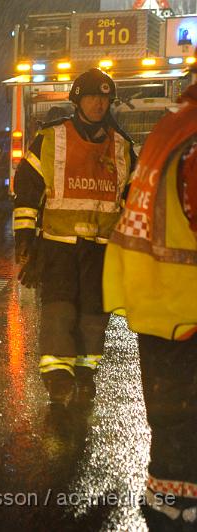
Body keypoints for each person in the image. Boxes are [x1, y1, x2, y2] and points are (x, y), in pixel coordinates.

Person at [103, 48, 197, 530]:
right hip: (189, 312)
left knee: (173, 424)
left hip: (161, 306)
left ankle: (168, 506)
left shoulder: (171, 129)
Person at [13, 68, 136, 416]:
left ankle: (84, 373)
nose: (99, 103)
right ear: (77, 101)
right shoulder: (52, 139)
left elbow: (133, 199)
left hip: (102, 249)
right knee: (59, 311)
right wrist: (26, 238)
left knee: (94, 317)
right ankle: (57, 378)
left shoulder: (123, 146)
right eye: (92, 97)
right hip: (59, 246)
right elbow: (27, 190)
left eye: (105, 97)